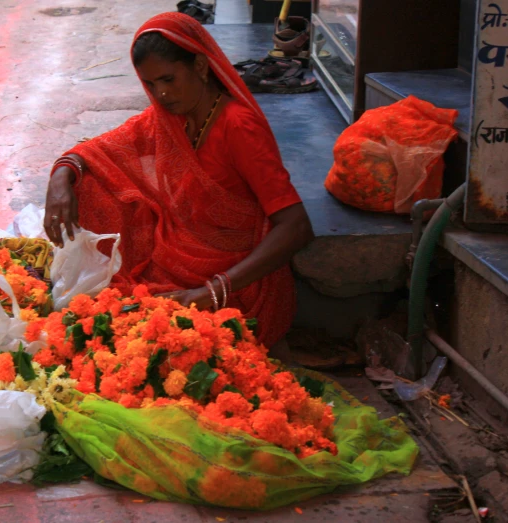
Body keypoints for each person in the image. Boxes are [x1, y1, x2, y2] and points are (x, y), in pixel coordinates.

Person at [44, 12, 313, 349]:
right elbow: (98, 151)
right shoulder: (168, 120)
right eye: (151, 85)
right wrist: (59, 180)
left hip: (234, 288)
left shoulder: (238, 127)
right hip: (172, 266)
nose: (162, 94)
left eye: (169, 79)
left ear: (200, 66)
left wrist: (211, 291)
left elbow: (296, 226)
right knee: (88, 183)